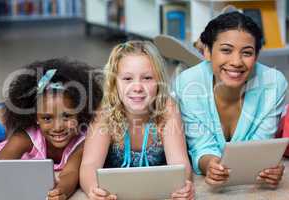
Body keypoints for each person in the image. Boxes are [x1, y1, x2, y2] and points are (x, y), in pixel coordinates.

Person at [174, 12, 287, 187]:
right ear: (208, 52)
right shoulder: (188, 83)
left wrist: (266, 168)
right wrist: (210, 165)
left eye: (247, 53)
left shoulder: (273, 83)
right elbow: (200, 145)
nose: (236, 62)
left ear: (256, 56)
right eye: (226, 50)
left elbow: (261, 145)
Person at [80, 40, 194, 200]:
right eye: (127, 79)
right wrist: (93, 189)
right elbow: (89, 164)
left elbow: (179, 162)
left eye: (147, 78)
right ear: (114, 83)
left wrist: (183, 185)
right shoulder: (106, 111)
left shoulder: (167, 108)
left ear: (159, 82)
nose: (137, 87)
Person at [0, 58, 103, 200]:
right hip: (6, 126)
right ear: (35, 118)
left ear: (80, 114)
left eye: (67, 116)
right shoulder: (24, 137)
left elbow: (70, 173)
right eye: (47, 118)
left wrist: (61, 191)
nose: (58, 127)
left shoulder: (82, 141)